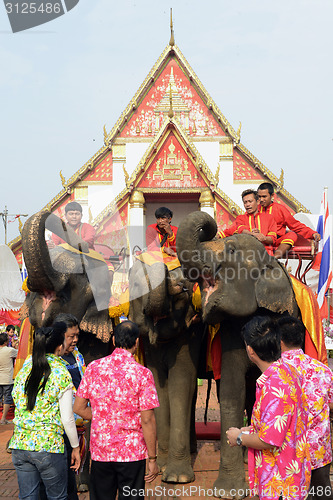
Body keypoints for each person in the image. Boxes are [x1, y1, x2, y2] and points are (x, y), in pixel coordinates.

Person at [226, 316, 310, 500]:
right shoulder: (286, 371)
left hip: (280, 481)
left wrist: (239, 438)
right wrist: (248, 430)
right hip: (291, 474)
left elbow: (270, 440)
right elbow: (279, 423)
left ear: (250, 350)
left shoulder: (274, 386)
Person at [73, 320, 159, 500]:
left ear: (113, 340)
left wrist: (102, 417)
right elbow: (147, 420)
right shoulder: (142, 374)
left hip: (101, 451)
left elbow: (78, 407)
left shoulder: (94, 368)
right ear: (136, 342)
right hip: (132, 454)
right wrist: (152, 458)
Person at [10, 323, 80, 500]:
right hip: (48, 446)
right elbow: (67, 418)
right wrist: (75, 447)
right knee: (57, 497)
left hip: (20, 444)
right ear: (59, 345)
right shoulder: (60, 372)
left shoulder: (24, 369)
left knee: (27, 496)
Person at [278, 315, 333, 500]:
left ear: (279, 341)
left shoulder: (275, 373)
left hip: (288, 452)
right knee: (322, 494)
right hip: (319, 450)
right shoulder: (323, 370)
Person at [257, 182, 321, 258]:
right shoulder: (255, 209)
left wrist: (312, 233)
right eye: (259, 197)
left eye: (264, 197)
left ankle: (274, 260)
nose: (261, 199)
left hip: (277, 241)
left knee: (291, 235)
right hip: (260, 241)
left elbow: (295, 225)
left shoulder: (280, 209)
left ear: (272, 196)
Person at [218, 189, 277, 254]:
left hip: (266, 254)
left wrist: (263, 238)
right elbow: (242, 230)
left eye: (250, 201)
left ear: (257, 202)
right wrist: (254, 235)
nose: (247, 204)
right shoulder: (240, 218)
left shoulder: (269, 218)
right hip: (246, 255)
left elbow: (273, 238)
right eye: (245, 202)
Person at [0, 332, 18, 424]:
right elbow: (19, 354)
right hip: (7, 379)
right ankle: (3, 419)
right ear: (6, 341)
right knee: (7, 399)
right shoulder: (10, 350)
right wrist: (14, 345)